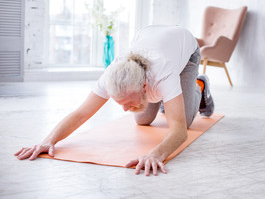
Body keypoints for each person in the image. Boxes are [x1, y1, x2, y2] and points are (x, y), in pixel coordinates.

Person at [14, 25, 215, 176]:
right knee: (142, 119)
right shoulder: (112, 75)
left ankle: (198, 86)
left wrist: (156, 153)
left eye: (129, 102)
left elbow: (178, 131)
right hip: (151, 38)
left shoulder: (164, 71)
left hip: (186, 51)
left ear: (144, 86)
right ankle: (170, 99)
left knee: (187, 121)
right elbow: (80, 113)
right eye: (121, 103)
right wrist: (48, 140)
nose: (125, 109)